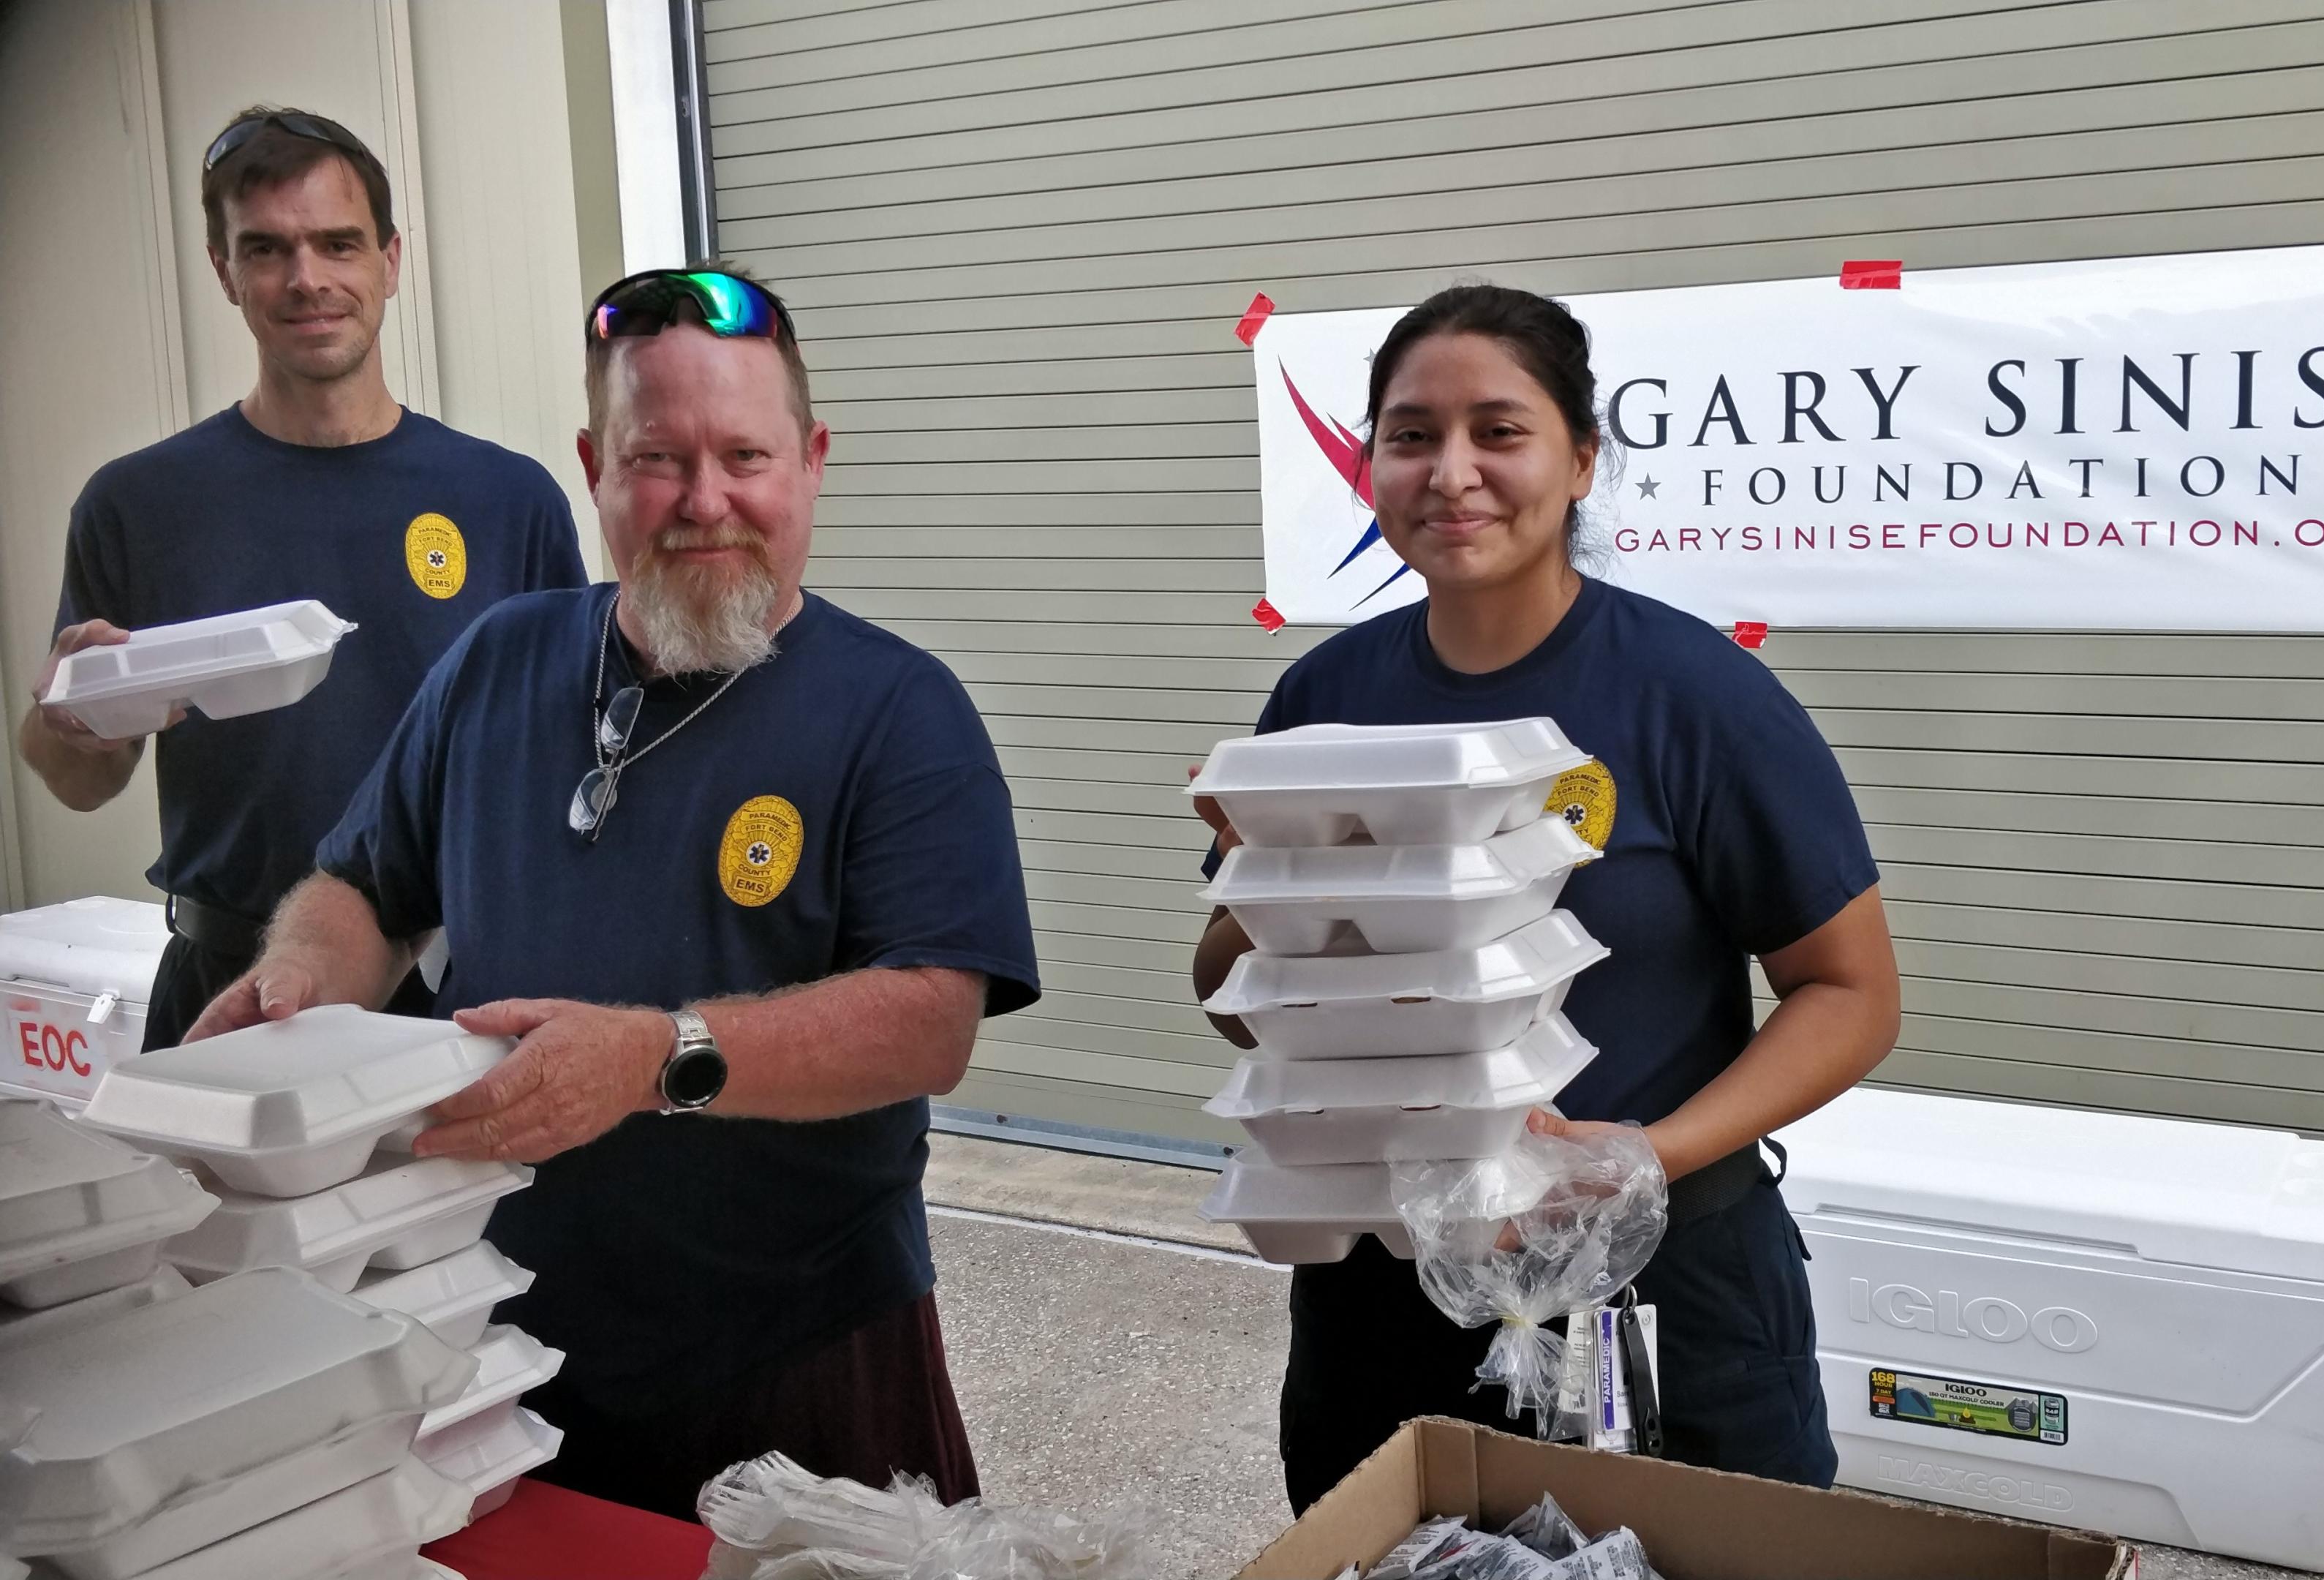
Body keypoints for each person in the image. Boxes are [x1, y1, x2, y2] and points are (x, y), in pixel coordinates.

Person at [184, 265, 1040, 1516]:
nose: (705, 501)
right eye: (657, 459)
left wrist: (658, 1057)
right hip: (495, 1336)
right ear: (594, 463)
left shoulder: (900, 710)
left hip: (799, 1355)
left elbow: (930, 1020)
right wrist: (298, 983)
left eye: (745, 455)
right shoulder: (499, 659)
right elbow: (362, 886)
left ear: (810, 459)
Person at [1191, 284, 1904, 1509]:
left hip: (1662, 1277)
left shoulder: (1698, 702)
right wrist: (1281, 879)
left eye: (1499, 432)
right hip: (1389, 1282)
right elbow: (1232, 999)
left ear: (1581, 459)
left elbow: (1851, 995)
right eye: (1411, 435)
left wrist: (1639, 1158)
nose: (1450, 472)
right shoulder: (1325, 700)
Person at [15, 106, 586, 1046]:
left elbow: (565, 760)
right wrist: (72, 715)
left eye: (338, 243)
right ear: (223, 269)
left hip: (457, 998)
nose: (308, 279)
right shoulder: (138, 504)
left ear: (391, 261)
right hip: (226, 991)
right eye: (268, 249)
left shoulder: (506, 501)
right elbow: (76, 781)